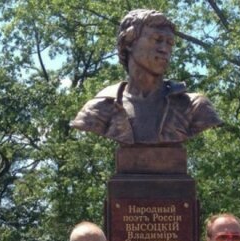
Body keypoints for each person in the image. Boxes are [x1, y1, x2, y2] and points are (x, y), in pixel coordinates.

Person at [71, 9, 221, 145]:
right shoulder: (100, 108)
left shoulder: (194, 107)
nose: (165, 49)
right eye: (157, 40)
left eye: (169, 43)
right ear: (129, 43)